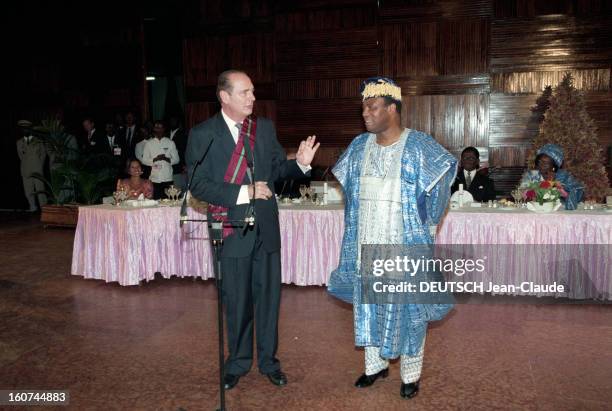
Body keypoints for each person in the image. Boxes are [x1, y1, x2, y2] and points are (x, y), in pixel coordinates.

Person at [186, 69, 319, 390]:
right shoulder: (203, 134)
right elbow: (198, 185)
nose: (253, 98)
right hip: (231, 230)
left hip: (266, 231)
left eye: (253, 91)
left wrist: (298, 164)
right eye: (245, 92)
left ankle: (269, 363)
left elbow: (275, 170)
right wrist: (244, 193)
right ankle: (238, 362)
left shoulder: (263, 128)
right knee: (236, 301)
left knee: (269, 302)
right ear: (225, 97)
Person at [327, 77, 456, 399]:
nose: (365, 114)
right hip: (366, 242)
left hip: (404, 246)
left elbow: (442, 184)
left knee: (411, 311)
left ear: (393, 108)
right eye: (363, 108)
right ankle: (375, 367)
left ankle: (410, 374)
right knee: (369, 306)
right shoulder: (359, 147)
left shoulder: (420, 146)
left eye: (372, 107)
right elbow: (348, 188)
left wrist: (427, 228)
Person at [519, 143, 583, 210]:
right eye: (539, 161)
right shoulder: (531, 175)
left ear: (554, 166)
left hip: (560, 212)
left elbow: (578, 192)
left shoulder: (564, 176)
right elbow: (523, 195)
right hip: (535, 210)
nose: (541, 165)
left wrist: (554, 183)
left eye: (545, 163)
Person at [142, 120, 179, 199]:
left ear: (164, 129)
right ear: (154, 129)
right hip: (154, 179)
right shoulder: (149, 143)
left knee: (169, 203)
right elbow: (144, 160)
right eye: (156, 127)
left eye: (160, 127)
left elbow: (177, 160)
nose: (158, 129)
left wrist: (166, 159)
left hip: (168, 178)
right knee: (155, 203)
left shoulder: (170, 142)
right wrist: (155, 159)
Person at [16, 120, 47, 211]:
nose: (24, 130)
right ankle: (32, 207)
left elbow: (43, 154)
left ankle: (44, 208)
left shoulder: (39, 141)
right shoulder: (19, 142)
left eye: (26, 128)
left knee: (40, 190)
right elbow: (20, 156)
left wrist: (39, 165)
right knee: (28, 191)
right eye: (22, 128)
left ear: (30, 129)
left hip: (37, 169)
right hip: (25, 169)